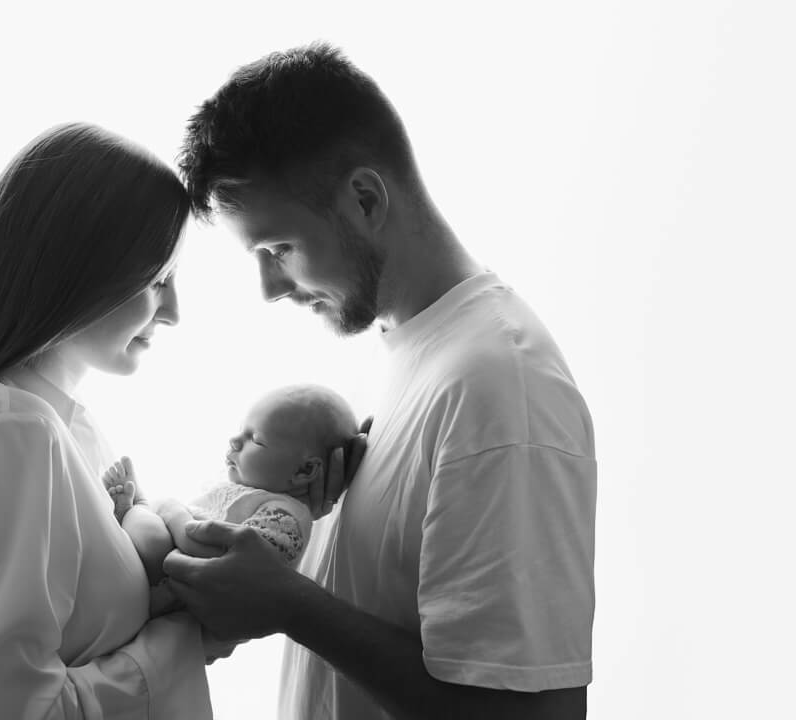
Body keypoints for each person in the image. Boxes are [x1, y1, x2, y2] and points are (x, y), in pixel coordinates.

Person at [166, 43, 597, 720]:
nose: (271, 288)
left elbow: (533, 716)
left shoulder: (499, 385)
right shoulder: (396, 349)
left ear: (365, 199)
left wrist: (289, 605)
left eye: (278, 250)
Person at [0, 122, 216, 719]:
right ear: (78, 269)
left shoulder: (65, 430)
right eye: (160, 280)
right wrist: (185, 638)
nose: (176, 312)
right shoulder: (11, 433)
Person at [102, 384, 358, 585]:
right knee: (153, 529)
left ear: (304, 471)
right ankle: (137, 511)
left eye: (255, 439)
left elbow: (220, 561)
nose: (234, 440)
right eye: (240, 429)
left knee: (154, 538)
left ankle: (134, 509)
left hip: (183, 580)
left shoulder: (285, 516)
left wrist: (172, 511)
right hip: (172, 567)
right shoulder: (240, 487)